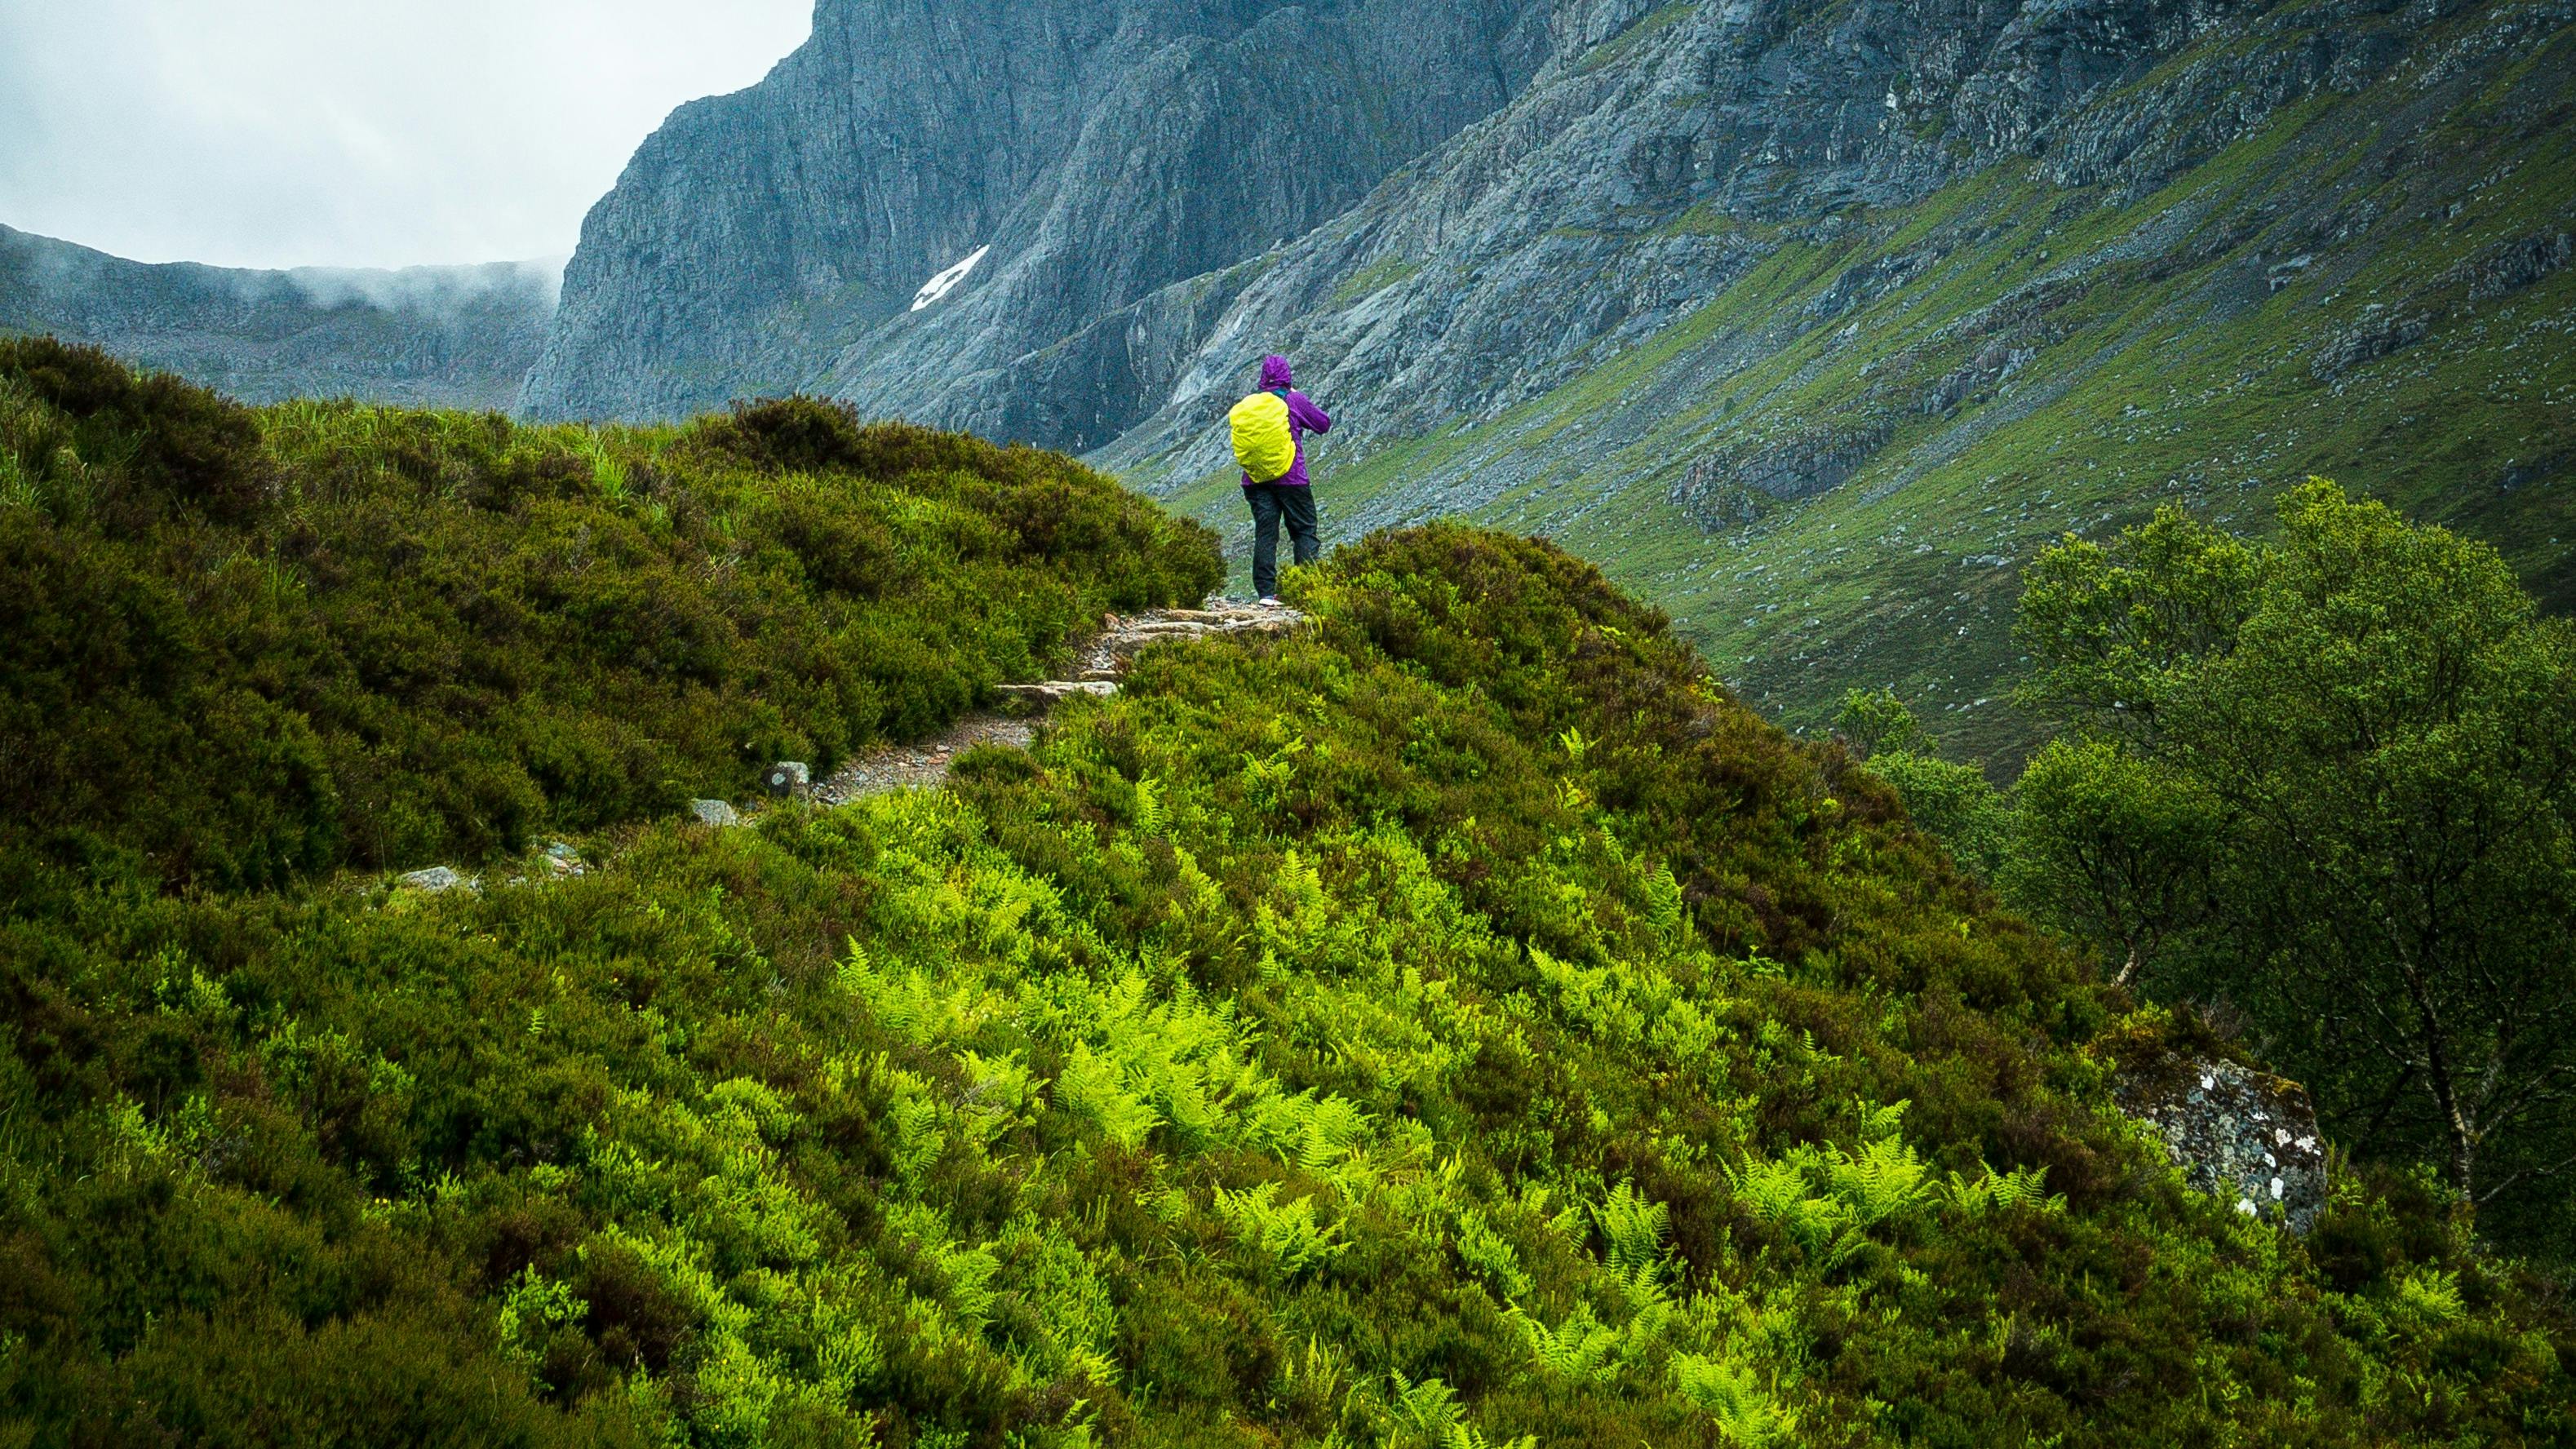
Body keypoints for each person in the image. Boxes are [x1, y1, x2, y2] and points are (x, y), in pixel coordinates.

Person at [1232, 354, 1332, 605]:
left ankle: (1266, 594)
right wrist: (1296, 395)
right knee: (1304, 531)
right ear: (1287, 376)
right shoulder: (1292, 399)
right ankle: (1306, 589)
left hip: (1255, 479)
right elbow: (1323, 424)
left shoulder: (1251, 404)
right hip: (1292, 478)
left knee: (1266, 534)